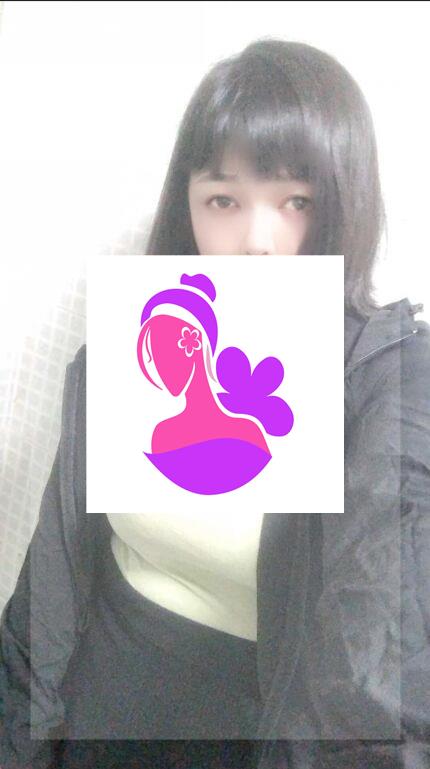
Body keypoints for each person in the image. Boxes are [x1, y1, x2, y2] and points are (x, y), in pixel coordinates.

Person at [0, 37, 429, 769]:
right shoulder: (129, 348)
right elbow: (49, 598)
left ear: (344, 204)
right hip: (90, 722)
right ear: (189, 205)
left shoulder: (388, 385)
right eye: (223, 200)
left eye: (296, 201)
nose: (256, 241)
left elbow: (375, 674)